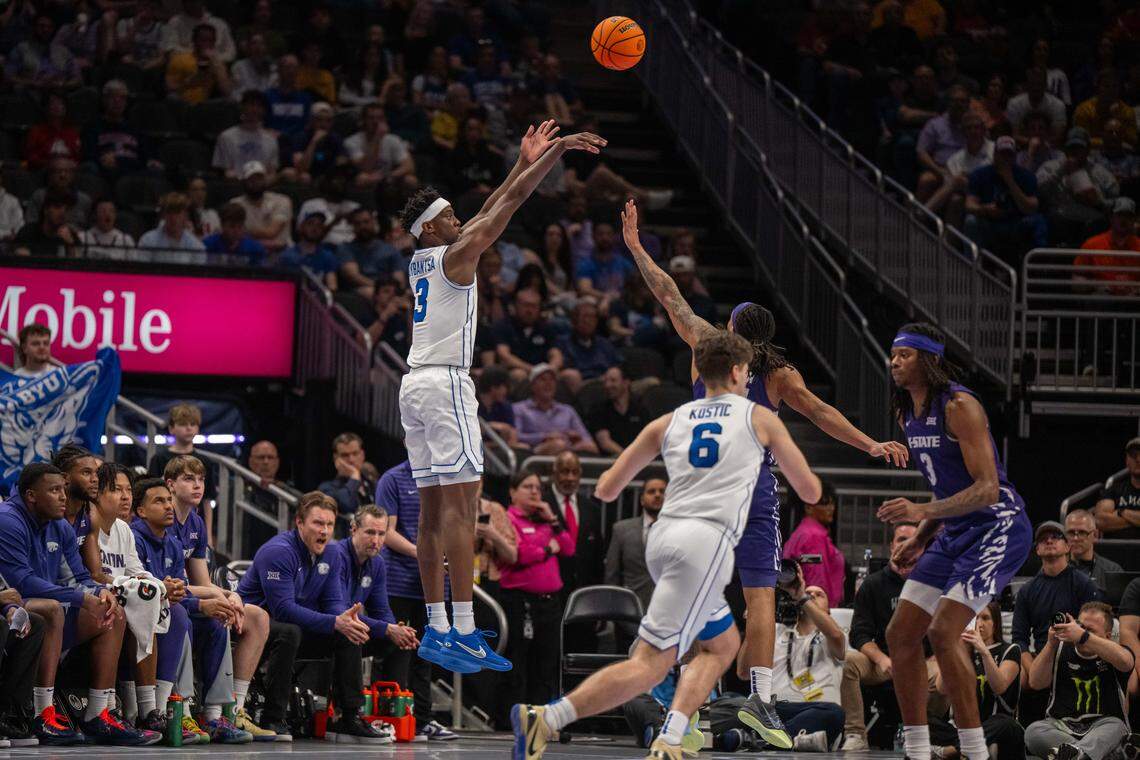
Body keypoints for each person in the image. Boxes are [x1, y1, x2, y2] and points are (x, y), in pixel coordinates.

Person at [622, 199, 906, 747]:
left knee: (691, 594)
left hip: (706, 486)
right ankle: (761, 698)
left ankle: (687, 703)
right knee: (761, 598)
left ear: (732, 326)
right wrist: (871, 444)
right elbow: (822, 415)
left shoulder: (707, 345)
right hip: (755, 490)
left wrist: (637, 246)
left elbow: (668, 293)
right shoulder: (778, 373)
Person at [512, 330, 823, 759]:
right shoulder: (758, 417)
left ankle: (671, 735)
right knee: (651, 663)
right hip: (705, 544)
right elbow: (809, 492)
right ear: (737, 372)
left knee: (723, 645)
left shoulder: (671, 420)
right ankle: (549, 719)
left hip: (663, 539)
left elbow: (604, 489)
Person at [398, 119, 603, 676]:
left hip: (413, 385)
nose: (459, 220)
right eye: (449, 216)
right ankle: (463, 628)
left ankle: (438, 627)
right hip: (444, 384)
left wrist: (522, 159)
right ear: (431, 228)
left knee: (433, 512)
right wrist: (555, 152)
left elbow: (490, 206)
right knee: (464, 507)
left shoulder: (424, 258)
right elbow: (506, 206)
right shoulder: (454, 255)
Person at [876, 321, 1034, 760]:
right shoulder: (906, 411)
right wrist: (921, 536)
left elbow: (986, 489)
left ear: (928, 359)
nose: (894, 363)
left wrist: (922, 513)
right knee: (900, 632)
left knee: (945, 631)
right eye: (892, 355)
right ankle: (918, 748)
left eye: (904, 355)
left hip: (998, 527)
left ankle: (975, 750)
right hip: (956, 531)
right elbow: (945, 486)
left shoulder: (959, 405)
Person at [0, 463, 150, 746]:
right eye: (54, 490)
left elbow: (79, 576)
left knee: (113, 610)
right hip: (13, 602)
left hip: (43, 605)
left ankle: (98, 713)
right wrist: (82, 597)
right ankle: (42, 712)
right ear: (31, 495)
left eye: (63, 490)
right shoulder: (9, 520)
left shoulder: (59, 526)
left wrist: (100, 592)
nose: (62, 498)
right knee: (52, 608)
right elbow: (20, 581)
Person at [237, 492, 389, 743]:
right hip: (251, 625)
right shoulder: (278, 551)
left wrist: (344, 620)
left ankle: (346, 717)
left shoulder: (331, 554)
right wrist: (334, 621)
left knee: (347, 631)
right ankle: (273, 718)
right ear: (299, 522)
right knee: (290, 631)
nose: (325, 531)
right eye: (318, 523)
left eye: (329, 525)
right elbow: (283, 609)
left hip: (292, 626)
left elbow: (331, 604)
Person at [128, 476, 256, 744]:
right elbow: (152, 595)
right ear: (140, 511)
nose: (168, 507)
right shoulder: (134, 539)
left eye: (168, 500)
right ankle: (178, 711)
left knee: (218, 620)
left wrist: (208, 604)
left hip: (170, 611)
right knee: (181, 616)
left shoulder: (173, 543)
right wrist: (199, 603)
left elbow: (180, 591)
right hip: (145, 617)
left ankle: (213, 716)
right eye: (159, 501)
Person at [161, 457, 272, 740]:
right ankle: (182, 713)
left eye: (200, 479)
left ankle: (224, 712)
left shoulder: (196, 522)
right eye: (188, 478)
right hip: (167, 601)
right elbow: (177, 587)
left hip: (186, 595)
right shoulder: (161, 518)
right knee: (200, 613)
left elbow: (201, 582)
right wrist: (222, 596)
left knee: (237, 617)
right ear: (170, 484)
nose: (197, 485)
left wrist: (228, 596)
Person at [373, 460, 459, 742]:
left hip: (434, 586)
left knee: (427, 655)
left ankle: (421, 720)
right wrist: (422, 553)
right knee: (397, 654)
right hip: (399, 582)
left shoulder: (448, 479)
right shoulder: (392, 479)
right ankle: (390, 718)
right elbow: (387, 531)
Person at [840, 522, 944, 750]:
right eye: (900, 539)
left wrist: (935, 658)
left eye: (912, 539)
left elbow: (944, 630)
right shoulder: (872, 584)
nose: (906, 545)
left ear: (921, 547)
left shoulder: (933, 585)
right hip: (883, 662)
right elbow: (859, 634)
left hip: (923, 663)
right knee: (849, 663)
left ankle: (926, 734)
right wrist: (882, 660)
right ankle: (856, 733)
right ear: (891, 546)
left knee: (942, 674)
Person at [1012, 520, 1102, 715]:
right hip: (1042, 656)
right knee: (1022, 679)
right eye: (1043, 539)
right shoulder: (1027, 591)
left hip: (1077, 656)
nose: (1049, 541)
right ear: (1037, 550)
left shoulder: (1084, 584)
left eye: (1056, 537)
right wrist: (1032, 667)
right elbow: (1019, 638)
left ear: (1067, 547)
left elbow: (1096, 632)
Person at [500, 469, 573, 709]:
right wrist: (548, 550)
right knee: (520, 659)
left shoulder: (545, 521)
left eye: (538, 488)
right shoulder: (507, 519)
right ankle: (514, 715)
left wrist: (553, 518)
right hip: (520, 601)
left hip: (550, 602)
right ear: (512, 492)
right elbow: (519, 555)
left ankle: (542, 715)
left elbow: (569, 548)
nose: (534, 492)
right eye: (527, 486)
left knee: (547, 661)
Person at [1024, 602, 1133, 760]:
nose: (1082, 632)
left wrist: (1083, 636)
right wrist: (1050, 644)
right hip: (1062, 727)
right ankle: (1085, 754)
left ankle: (1078, 753)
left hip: (1103, 725)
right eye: (1081, 626)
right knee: (1033, 731)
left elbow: (1126, 662)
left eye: (1090, 630)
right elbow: (1035, 683)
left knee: (1116, 727)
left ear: (1108, 636)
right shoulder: (1061, 648)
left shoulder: (1115, 652)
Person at [929, 600, 1024, 759]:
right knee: (924, 719)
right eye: (975, 618)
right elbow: (941, 688)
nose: (980, 623)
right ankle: (969, 748)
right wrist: (953, 651)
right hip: (963, 729)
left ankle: (951, 751)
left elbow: (999, 686)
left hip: (996, 726)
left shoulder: (1010, 650)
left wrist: (983, 651)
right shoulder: (961, 650)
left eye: (985, 618)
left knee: (1006, 724)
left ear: (995, 623)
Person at [770, 578, 847, 752]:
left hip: (817, 711)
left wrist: (801, 596)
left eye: (818, 595)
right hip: (774, 710)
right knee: (732, 701)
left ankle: (758, 738)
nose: (811, 595)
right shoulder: (777, 629)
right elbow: (743, 671)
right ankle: (775, 738)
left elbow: (835, 636)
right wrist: (755, 618)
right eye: (808, 592)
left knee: (835, 713)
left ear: (828, 609)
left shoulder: (836, 633)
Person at [544, 452, 604, 653]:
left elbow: (597, 559)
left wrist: (599, 602)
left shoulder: (592, 509)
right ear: (554, 473)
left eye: (574, 472)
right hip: (550, 598)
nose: (569, 478)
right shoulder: (541, 505)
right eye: (564, 472)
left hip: (585, 599)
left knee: (584, 655)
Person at [963, 135, 1048, 257]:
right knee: (971, 221)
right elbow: (969, 204)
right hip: (990, 222)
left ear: (1014, 156)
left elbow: (1031, 208)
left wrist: (1010, 181)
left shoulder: (1026, 176)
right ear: (995, 154)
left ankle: (1037, 265)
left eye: (1009, 154)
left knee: (1039, 221)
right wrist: (985, 209)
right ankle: (971, 266)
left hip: (1016, 222)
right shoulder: (980, 174)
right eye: (1002, 154)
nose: (1005, 158)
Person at [146, 402, 216, 525]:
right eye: (183, 424)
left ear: (198, 428)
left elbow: (207, 500)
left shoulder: (205, 461)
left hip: (194, 525)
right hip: (165, 521)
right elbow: (150, 495)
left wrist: (208, 534)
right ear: (171, 428)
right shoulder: (159, 459)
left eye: (193, 424)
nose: (189, 428)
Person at [604, 478, 666, 612]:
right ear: (642, 499)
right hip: (629, 609)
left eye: (662, 491)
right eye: (651, 491)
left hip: (668, 611)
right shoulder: (621, 530)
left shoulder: (678, 531)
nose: (657, 495)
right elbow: (612, 574)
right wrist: (612, 608)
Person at [512, 364, 599, 455]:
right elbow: (516, 436)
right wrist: (544, 437)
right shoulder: (519, 409)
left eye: (552, 380)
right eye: (543, 379)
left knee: (590, 446)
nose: (548, 383)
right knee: (559, 445)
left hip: (568, 448)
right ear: (532, 385)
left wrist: (577, 437)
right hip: (536, 450)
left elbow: (586, 438)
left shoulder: (567, 410)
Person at [783, 480, 845, 606]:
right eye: (825, 504)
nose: (831, 508)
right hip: (815, 610)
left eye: (832, 503)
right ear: (808, 507)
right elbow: (817, 580)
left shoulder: (802, 533)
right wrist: (821, 612)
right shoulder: (813, 537)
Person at [492, 287, 564, 383]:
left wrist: (551, 368)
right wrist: (533, 370)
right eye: (526, 305)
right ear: (515, 305)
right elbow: (504, 355)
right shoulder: (504, 326)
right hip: (517, 370)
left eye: (534, 306)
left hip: (542, 372)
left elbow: (556, 354)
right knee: (519, 374)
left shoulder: (546, 327)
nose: (529, 310)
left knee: (569, 375)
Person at [1074, 198, 1140, 294]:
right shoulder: (1092, 244)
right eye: (1119, 215)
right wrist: (1095, 285)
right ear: (1111, 218)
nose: (1124, 219)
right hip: (1104, 300)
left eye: (1128, 216)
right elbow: (1076, 279)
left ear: (1134, 220)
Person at [557, 297, 621, 394]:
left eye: (593, 317)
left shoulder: (604, 343)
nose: (589, 321)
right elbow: (561, 369)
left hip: (606, 384)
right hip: (580, 385)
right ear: (574, 321)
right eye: (585, 316)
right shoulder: (563, 343)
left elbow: (618, 365)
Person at [212, 91, 279, 180]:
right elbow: (223, 171)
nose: (254, 109)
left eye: (259, 106)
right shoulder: (226, 137)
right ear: (242, 107)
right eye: (251, 105)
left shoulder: (271, 139)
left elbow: (272, 172)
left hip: (262, 188)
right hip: (234, 186)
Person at [231, 160, 293, 254]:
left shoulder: (282, 201)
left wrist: (245, 232)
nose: (255, 182)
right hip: (249, 253)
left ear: (265, 180)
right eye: (251, 179)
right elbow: (232, 235)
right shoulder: (235, 204)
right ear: (243, 182)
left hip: (282, 254)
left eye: (259, 178)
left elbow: (271, 232)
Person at [589, 364, 650, 455]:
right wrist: (628, 458)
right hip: (609, 462)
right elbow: (605, 443)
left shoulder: (640, 410)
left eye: (613, 381)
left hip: (638, 460)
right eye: (606, 381)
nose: (607, 385)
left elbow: (647, 439)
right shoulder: (599, 409)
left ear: (626, 382)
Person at [164, 23, 232, 105]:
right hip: (182, 103)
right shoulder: (180, 59)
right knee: (172, 98)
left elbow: (227, 91)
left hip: (204, 104)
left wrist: (216, 64)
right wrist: (189, 82)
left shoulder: (216, 63)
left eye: (211, 40)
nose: (207, 44)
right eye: (203, 40)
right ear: (194, 41)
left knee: (229, 102)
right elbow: (169, 88)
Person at [317, 433, 377, 520]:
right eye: (345, 455)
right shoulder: (327, 489)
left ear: (362, 455)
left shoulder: (372, 484)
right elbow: (346, 506)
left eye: (355, 453)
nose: (351, 460)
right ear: (336, 458)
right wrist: (354, 478)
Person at [1064, 509, 1122, 593]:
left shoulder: (1112, 570)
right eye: (1071, 532)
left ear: (1095, 535)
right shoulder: (1056, 568)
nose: (1075, 538)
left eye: (1082, 532)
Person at [1093, 437, 1140, 537]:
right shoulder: (1114, 490)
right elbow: (1099, 521)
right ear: (1127, 461)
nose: (1138, 459)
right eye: (1133, 455)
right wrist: (1136, 520)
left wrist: (1121, 512)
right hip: (1113, 550)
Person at [12, 190, 80, 258]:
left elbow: (78, 265)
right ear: (46, 210)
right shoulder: (28, 232)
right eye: (57, 207)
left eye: (67, 209)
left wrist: (70, 246)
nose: (63, 213)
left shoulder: (71, 237)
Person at [1007, 67, 1068, 144]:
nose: (1036, 88)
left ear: (1045, 85)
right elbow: (1013, 134)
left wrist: (1041, 144)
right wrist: (1032, 143)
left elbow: (1058, 136)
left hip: (1050, 149)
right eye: (1032, 83)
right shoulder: (1014, 104)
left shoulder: (1058, 105)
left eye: (1039, 84)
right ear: (1026, 85)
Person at [137, 193, 207, 252]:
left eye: (177, 212)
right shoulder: (147, 241)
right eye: (169, 212)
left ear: (185, 216)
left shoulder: (196, 247)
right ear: (163, 215)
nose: (173, 218)